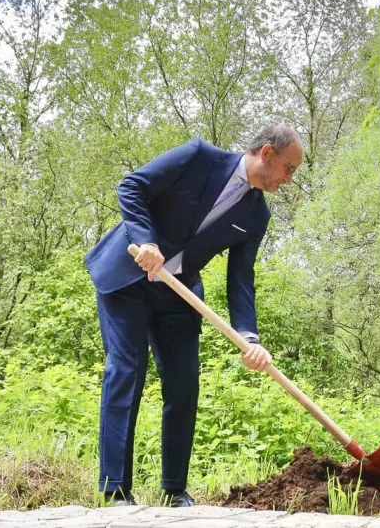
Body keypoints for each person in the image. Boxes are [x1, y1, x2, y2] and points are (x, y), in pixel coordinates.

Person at [83, 125, 303, 507]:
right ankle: (116, 488)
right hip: (128, 274)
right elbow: (132, 187)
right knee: (126, 370)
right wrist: (146, 240)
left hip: (178, 292)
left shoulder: (256, 216)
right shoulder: (199, 156)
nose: (289, 179)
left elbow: (241, 279)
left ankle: (174, 489)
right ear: (267, 153)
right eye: (289, 169)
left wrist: (248, 337)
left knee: (184, 383)